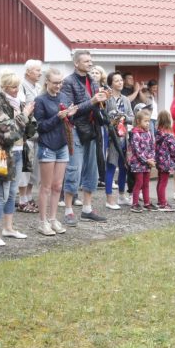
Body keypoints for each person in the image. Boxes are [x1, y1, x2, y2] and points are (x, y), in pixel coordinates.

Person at [61, 50, 108, 225]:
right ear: (76, 63)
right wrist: (93, 101)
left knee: (92, 169)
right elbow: (68, 110)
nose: (90, 63)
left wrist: (103, 101)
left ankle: (87, 209)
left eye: (91, 60)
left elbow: (98, 104)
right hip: (75, 129)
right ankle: (68, 210)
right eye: (86, 61)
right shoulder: (68, 83)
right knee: (74, 169)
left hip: (92, 128)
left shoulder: (93, 81)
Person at [0, 70, 36, 245]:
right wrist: (24, 115)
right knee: (2, 194)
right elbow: (7, 134)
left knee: (12, 194)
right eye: (13, 87)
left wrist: (29, 116)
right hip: (3, 154)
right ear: (4, 87)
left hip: (19, 152)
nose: (16, 90)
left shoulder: (20, 103)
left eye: (17, 86)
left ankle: (8, 228)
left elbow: (29, 132)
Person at [34, 68, 77, 235]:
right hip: (47, 146)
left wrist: (71, 115)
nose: (58, 85)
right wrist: (57, 117)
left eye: (60, 82)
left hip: (62, 145)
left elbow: (68, 122)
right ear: (47, 82)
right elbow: (41, 126)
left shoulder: (65, 97)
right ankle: (42, 221)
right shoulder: (40, 100)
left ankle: (53, 219)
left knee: (58, 186)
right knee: (45, 186)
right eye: (55, 83)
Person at [103, 71, 133, 209]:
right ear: (111, 84)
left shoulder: (126, 99)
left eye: (121, 80)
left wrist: (124, 117)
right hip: (111, 137)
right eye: (116, 81)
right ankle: (109, 198)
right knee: (111, 166)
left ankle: (121, 196)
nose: (120, 83)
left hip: (124, 137)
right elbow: (103, 117)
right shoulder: (107, 98)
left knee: (123, 167)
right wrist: (113, 119)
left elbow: (132, 117)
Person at [17, 59, 43, 212]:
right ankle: (22, 200)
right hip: (26, 133)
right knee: (25, 168)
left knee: (34, 169)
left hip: (38, 132)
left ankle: (28, 197)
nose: (40, 73)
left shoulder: (39, 87)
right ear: (28, 72)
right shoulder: (21, 87)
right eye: (37, 70)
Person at [127, 107, 155, 211]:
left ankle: (147, 203)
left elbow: (152, 146)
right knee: (139, 183)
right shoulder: (135, 133)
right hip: (138, 164)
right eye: (145, 121)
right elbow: (137, 151)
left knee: (146, 183)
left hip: (148, 163)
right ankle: (135, 204)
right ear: (138, 121)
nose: (148, 123)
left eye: (149, 121)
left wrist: (151, 158)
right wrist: (146, 160)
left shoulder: (148, 133)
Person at [153, 110, 175, 211]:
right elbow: (173, 150)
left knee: (160, 181)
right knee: (164, 182)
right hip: (166, 162)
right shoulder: (169, 135)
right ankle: (163, 203)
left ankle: (160, 201)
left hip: (159, 161)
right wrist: (174, 160)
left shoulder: (158, 133)